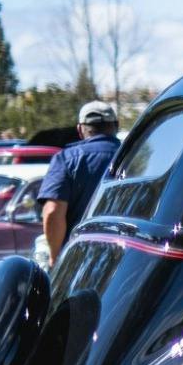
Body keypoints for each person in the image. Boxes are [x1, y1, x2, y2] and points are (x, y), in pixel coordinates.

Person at [38, 100, 123, 261]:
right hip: (125, 259)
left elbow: (52, 212)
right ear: (116, 125)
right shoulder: (136, 156)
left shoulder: (66, 159)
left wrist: (55, 258)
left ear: (80, 129)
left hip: (79, 263)